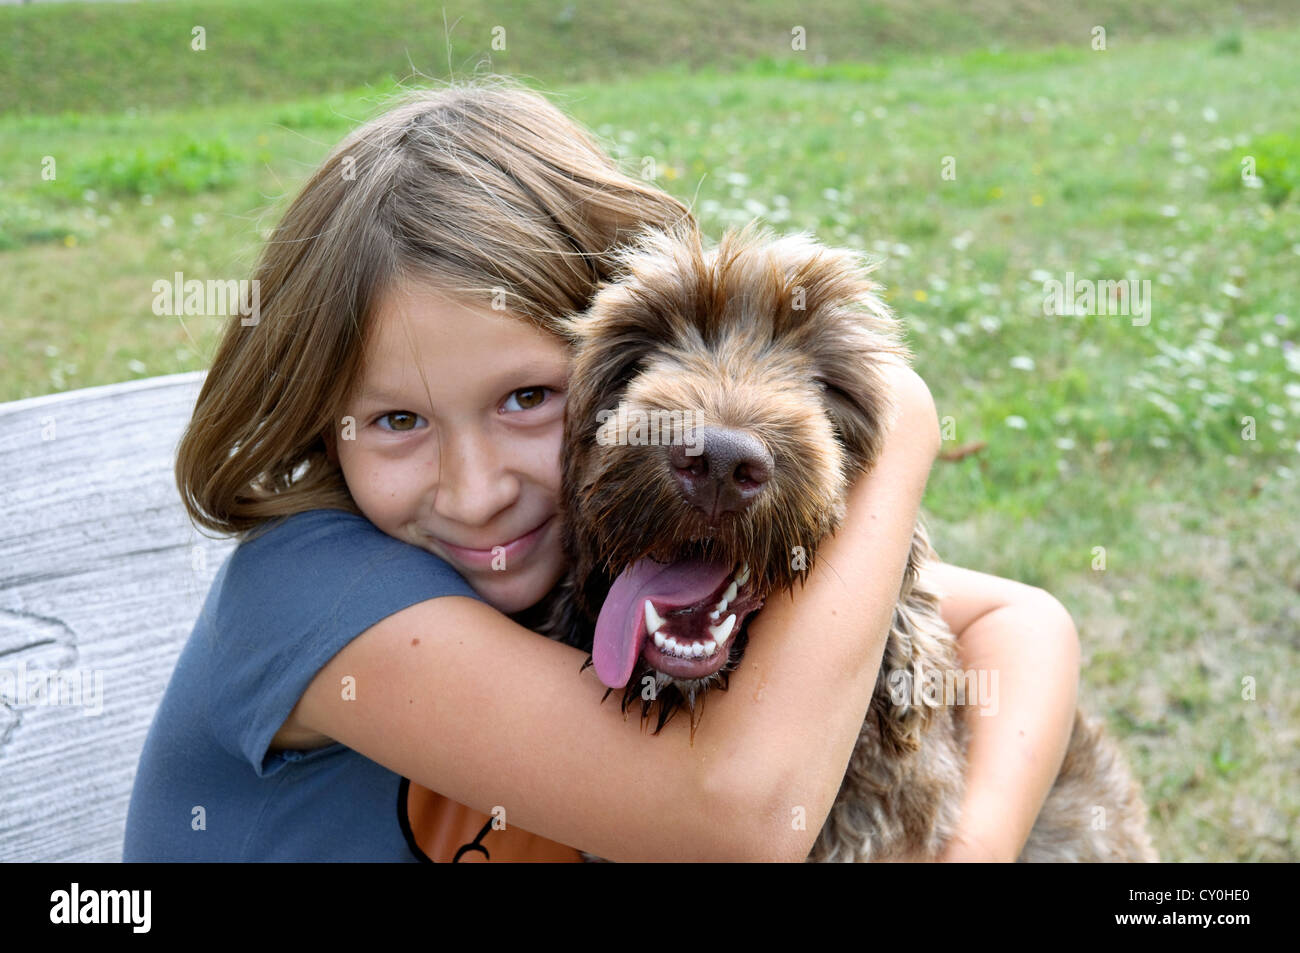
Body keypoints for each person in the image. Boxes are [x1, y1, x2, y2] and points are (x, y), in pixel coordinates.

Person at [123, 74, 1079, 863]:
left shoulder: (599, 545)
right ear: (319, 424)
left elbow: (1018, 619)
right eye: (397, 420)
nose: (477, 489)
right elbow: (736, 819)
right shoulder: (309, 593)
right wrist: (901, 414)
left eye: (529, 398)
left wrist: (978, 846)